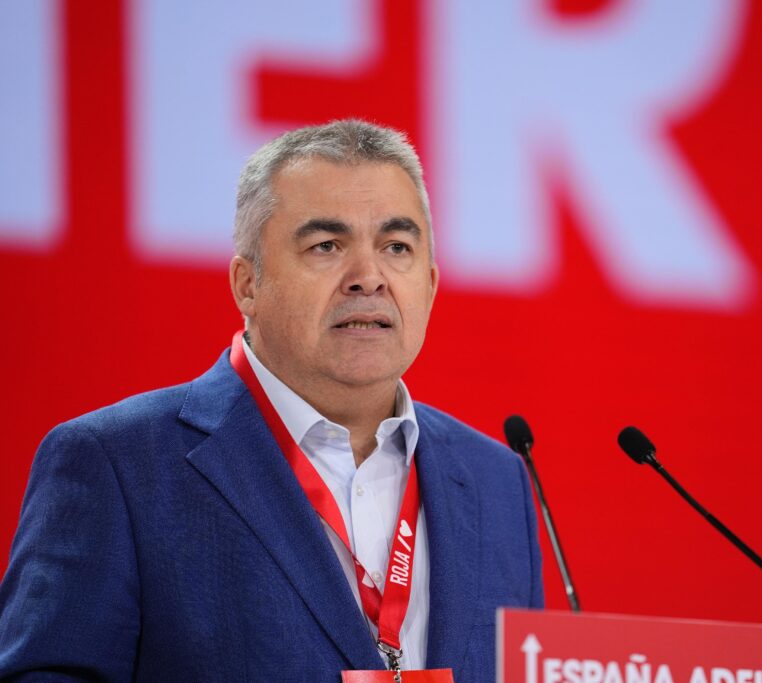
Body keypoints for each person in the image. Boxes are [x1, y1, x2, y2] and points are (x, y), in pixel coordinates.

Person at [0, 119, 543, 681]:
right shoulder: (118, 465)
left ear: (429, 284)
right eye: (326, 246)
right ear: (247, 284)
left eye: (396, 247)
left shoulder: (498, 482)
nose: (369, 277)